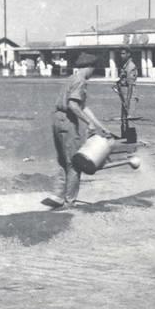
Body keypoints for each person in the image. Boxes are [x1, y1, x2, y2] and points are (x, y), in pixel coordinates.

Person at [42, 53, 111, 209]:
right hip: (67, 121)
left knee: (62, 159)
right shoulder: (81, 81)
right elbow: (74, 105)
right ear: (89, 67)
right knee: (74, 162)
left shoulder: (72, 78)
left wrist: (100, 126)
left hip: (57, 119)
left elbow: (83, 107)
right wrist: (88, 123)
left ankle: (58, 195)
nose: (93, 73)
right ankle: (69, 202)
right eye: (93, 69)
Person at [116, 46, 138, 140]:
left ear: (129, 54)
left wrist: (127, 101)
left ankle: (131, 140)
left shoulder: (131, 66)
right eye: (121, 53)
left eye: (123, 53)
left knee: (129, 119)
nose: (121, 55)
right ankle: (124, 138)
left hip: (130, 95)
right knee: (124, 119)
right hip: (124, 95)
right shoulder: (125, 65)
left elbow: (130, 85)